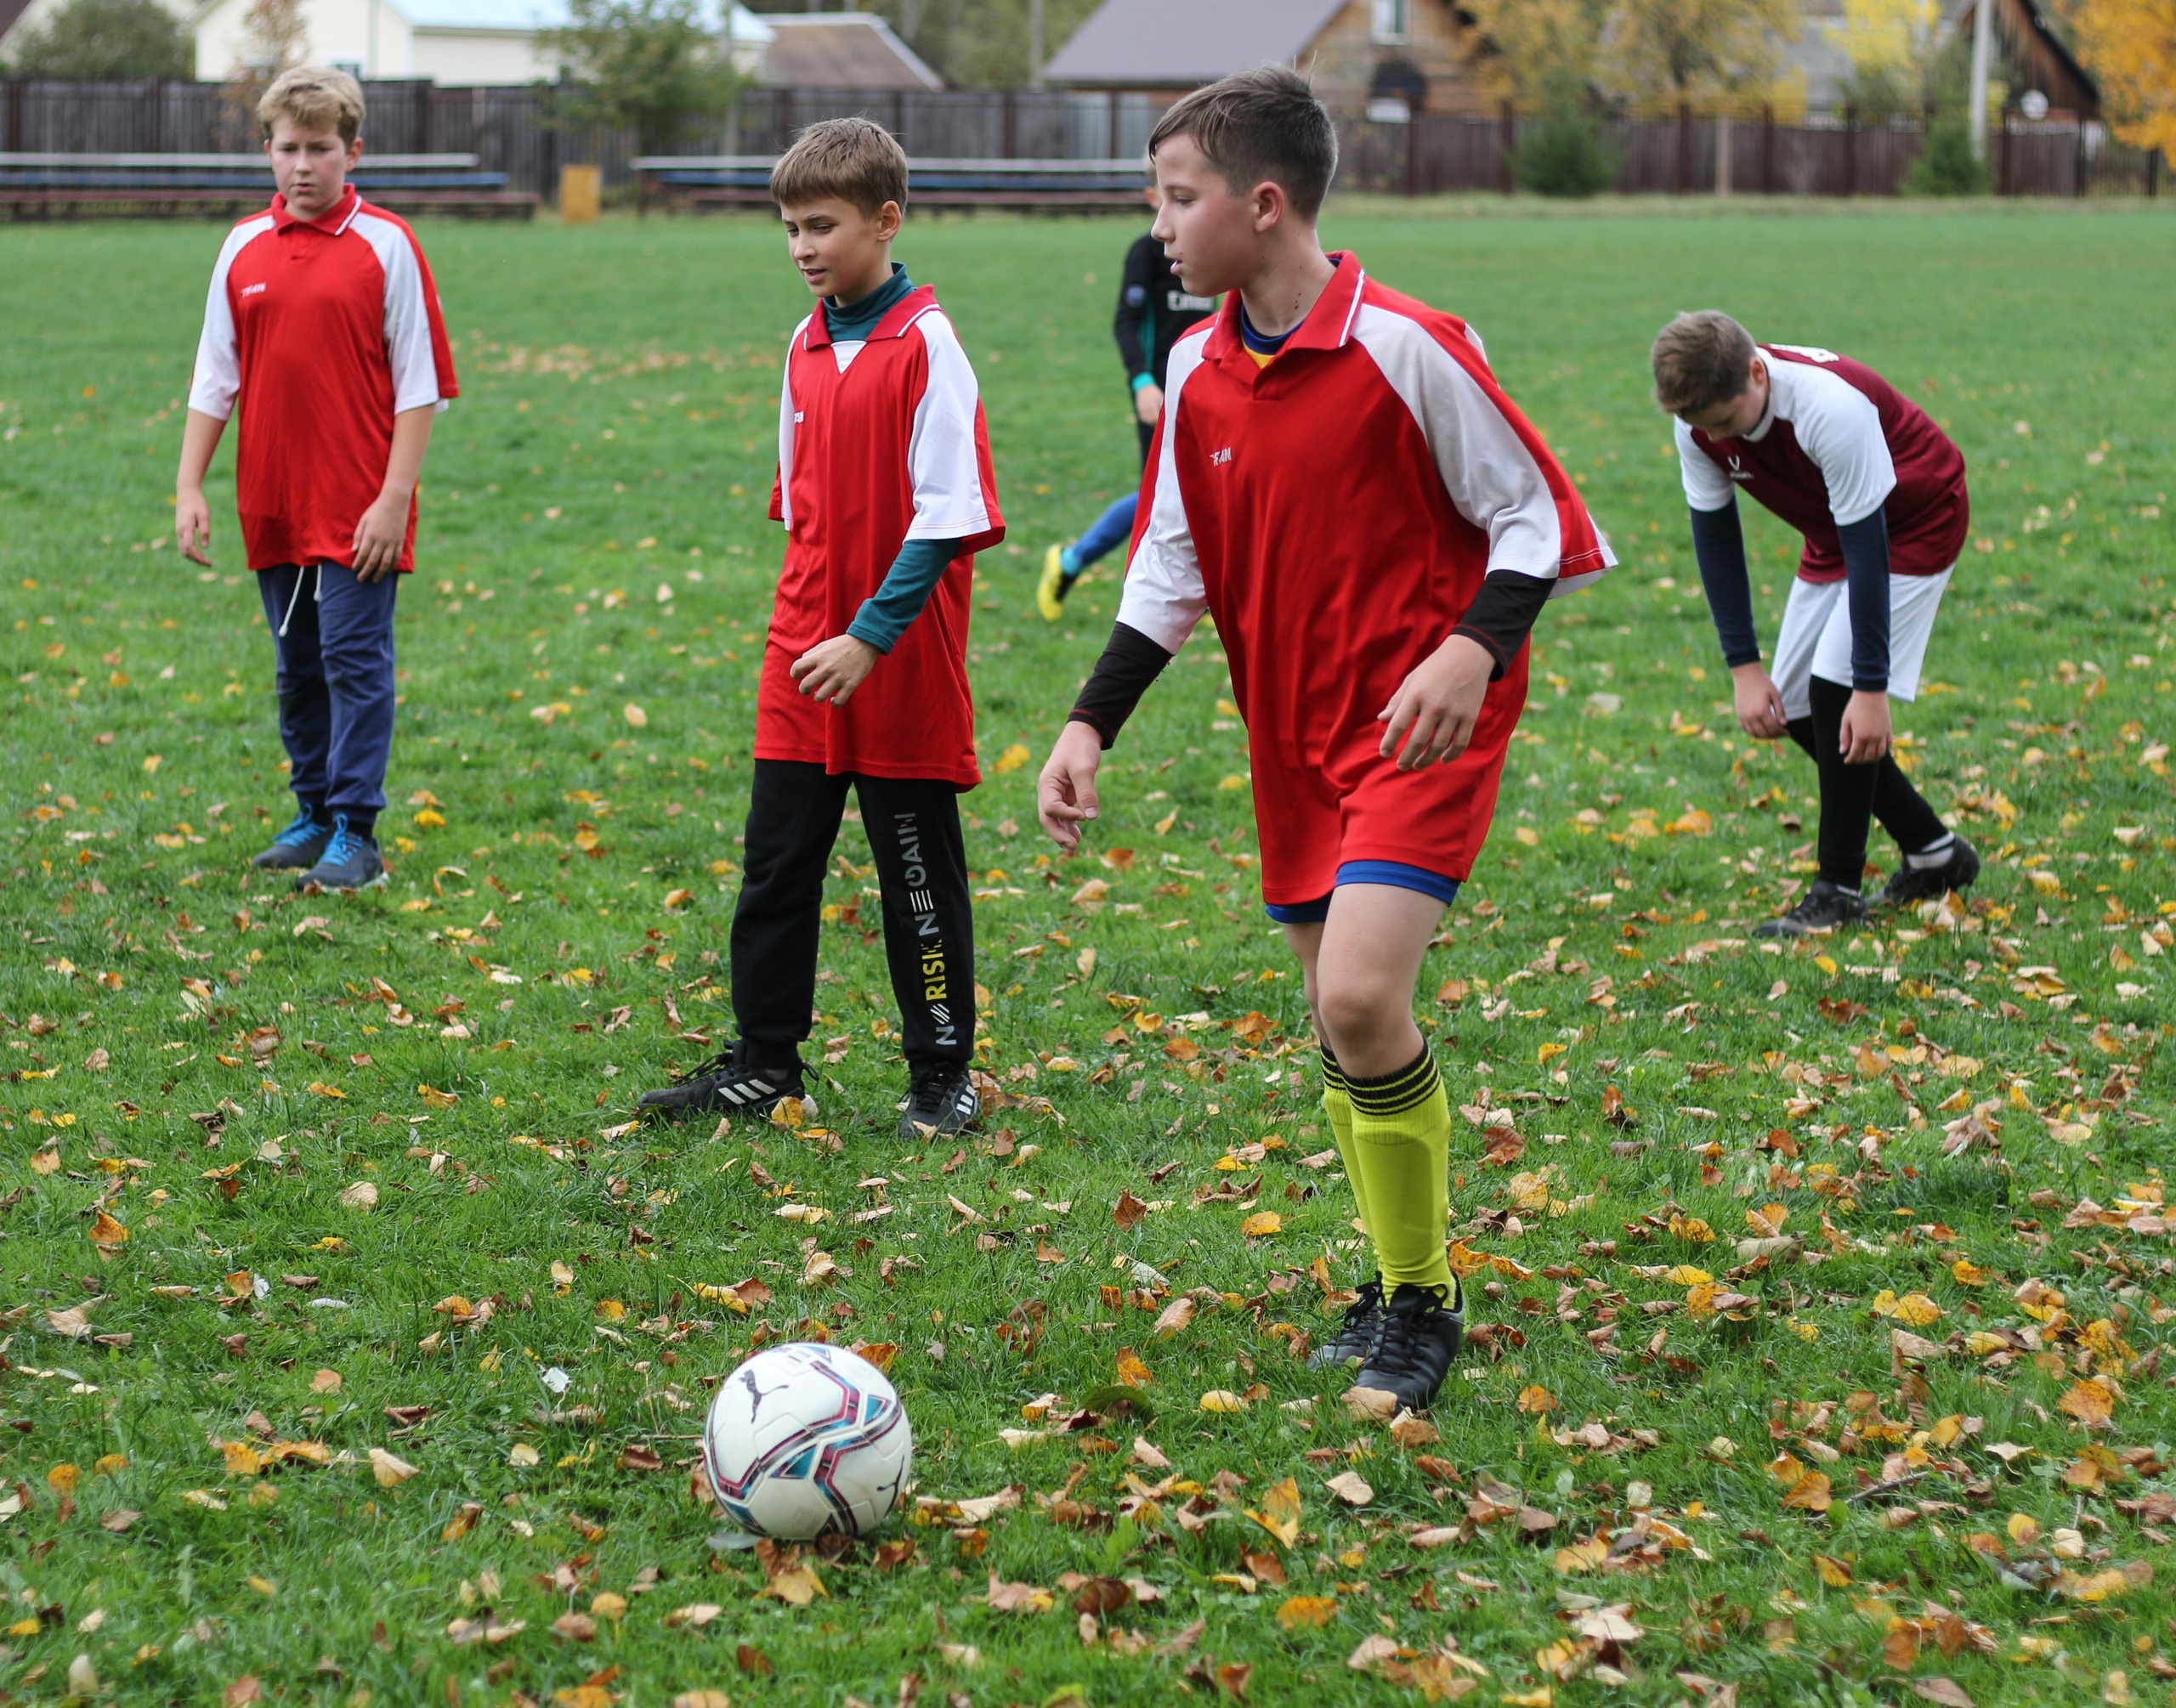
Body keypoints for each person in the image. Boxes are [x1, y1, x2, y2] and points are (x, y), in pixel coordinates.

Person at [1034, 68, 1613, 1412]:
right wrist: (1086, 723)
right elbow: (1167, 572)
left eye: (1178, 198)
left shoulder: (1406, 344)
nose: (1159, 226)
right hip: (1288, 732)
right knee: (1342, 1016)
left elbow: (1538, 518)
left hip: (1421, 723)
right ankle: (1397, 1271)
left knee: (1358, 997)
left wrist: (1473, 647)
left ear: (1266, 202)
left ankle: (1422, 1300)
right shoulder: (1193, 365)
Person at [638, 117, 1003, 1142]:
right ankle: (765, 1064)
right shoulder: (802, 342)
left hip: (896, 657)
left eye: (822, 226)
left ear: (886, 222)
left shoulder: (927, 343)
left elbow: (949, 515)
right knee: (777, 861)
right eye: (789, 228)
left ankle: (942, 1074)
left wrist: (870, 636)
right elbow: (801, 510)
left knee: (915, 874)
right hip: (801, 651)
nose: (802, 247)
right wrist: (811, 629)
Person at [175, 65, 456, 893]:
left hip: (359, 501)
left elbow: (421, 383)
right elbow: (212, 378)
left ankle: (357, 835)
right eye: (289, 148)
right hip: (272, 499)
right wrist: (189, 487)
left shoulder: (386, 244)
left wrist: (393, 498)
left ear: (352, 152)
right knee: (297, 665)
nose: (304, 165)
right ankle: (311, 815)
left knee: (352, 659)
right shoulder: (241, 247)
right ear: (267, 152)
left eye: (321, 149)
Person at [1652, 312, 1977, 937]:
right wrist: (1744, 668)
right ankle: (1934, 853)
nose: (1716, 437)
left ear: (1755, 372)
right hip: (1834, 525)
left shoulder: (1830, 409)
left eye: (1724, 421)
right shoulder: (1696, 424)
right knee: (1795, 704)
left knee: (1835, 690)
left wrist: (1871, 688)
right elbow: (1715, 541)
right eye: (1701, 426)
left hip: (1912, 519)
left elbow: (1869, 548)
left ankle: (1838, 891)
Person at [1036, 187, 1217, 621]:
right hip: (1156, 395)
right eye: (1171, 195)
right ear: (1152, 195)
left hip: (1205, 392)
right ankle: (1072, 563)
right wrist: (1141, 382)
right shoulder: (1146, 252)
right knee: (1161, 497)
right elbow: (1126, 320)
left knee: (1201, 488)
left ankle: (1210, 588)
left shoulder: (1212, 251)